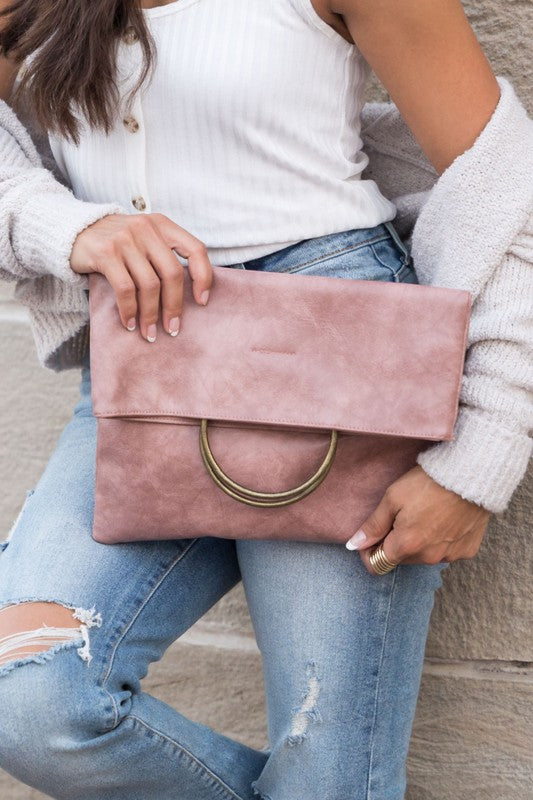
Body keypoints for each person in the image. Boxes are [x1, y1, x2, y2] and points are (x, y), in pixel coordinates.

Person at [0, 2, 530, 798]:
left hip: (341, 362)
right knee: (29, 698)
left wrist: (482, 453)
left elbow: (508, 194)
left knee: (328, 772)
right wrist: (66, 226)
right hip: (147, 362)